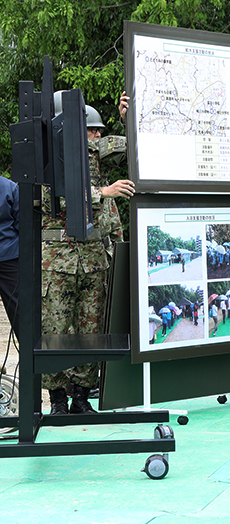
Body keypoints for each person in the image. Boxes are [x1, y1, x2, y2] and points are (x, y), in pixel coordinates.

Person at [42, 98, 134, 415]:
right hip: (58, 262)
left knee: (91, 330)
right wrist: (101, 193)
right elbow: (51, 198)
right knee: (55, 330)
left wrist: (126, 119)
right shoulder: (45, 156)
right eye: (88, 129)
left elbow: (127, 150)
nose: (94, 135)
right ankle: (57, 400)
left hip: (93, 258)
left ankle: (81, 397)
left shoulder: (93, 154)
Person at [0, 177, 19, 339]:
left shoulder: (10, 187)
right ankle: (28, 350)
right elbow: (22, 225)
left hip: (8, 256)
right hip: (9, 256)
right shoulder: (9, 187)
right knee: (19, 312)